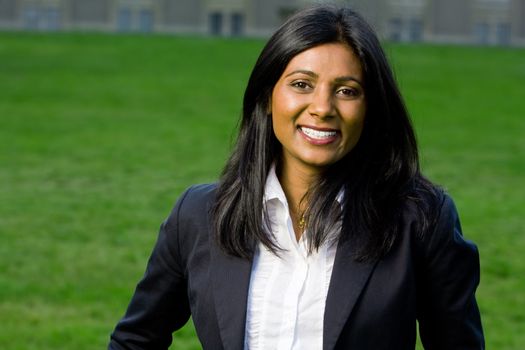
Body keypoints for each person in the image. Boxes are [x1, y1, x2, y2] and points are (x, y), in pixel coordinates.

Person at [108, 5, 484, 350]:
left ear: (370, 109)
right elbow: (135, 341)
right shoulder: (197, 215)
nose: (322, 108)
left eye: (347, 91)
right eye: (302, 84)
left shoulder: (422, 221)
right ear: (268, 97)